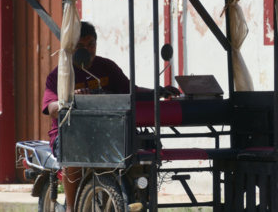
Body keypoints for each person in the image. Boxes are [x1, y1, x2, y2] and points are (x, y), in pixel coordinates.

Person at [42, 21, 179, 212]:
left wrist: (158, 92)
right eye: (81, 46)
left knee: (147, 148)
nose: (88, 50)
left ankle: (142, 199)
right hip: (68, 135)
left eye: (91, 44)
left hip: (108, 133)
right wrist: (70, 100)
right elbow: (51, 108)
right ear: (71, 48)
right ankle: (71, 208)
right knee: (73, 150)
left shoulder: (107, 67)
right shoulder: (60, 74)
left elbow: (131, 92)